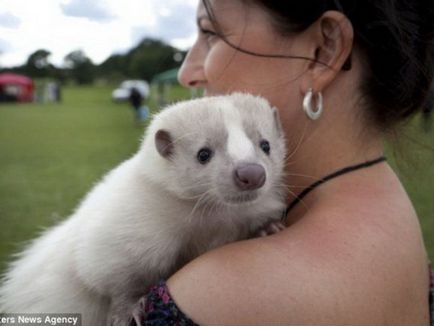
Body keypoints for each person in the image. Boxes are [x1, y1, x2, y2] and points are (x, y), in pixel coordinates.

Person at [133, 0, 434, 324]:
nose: (186, 72)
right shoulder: (396, 222)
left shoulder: (218, 296)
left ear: (324, 52)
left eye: (210, 33)